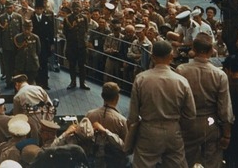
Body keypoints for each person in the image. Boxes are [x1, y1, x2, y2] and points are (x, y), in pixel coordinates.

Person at [127, 40, 196, 168]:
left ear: (152, 57)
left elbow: (133, 115)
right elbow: (191, 114)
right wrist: (181, 130)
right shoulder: (182, 81)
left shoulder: (141, 79)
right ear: (171, 57)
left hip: (148, 130)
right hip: (173, 130)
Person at [84, 82, 128, 167]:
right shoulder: (121, 121)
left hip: (93, 160)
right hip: (113, 163)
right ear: (117, 98)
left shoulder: (90, 115)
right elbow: (125, 148)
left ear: (102, 96)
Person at [61, 4, 90, 90]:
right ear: (72, 9)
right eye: (74, 8)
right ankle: (73, 82)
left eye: (78, 7)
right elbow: (65, 31)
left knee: (82, 65)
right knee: (72, 64)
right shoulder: (67, 18)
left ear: (80, 8)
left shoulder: (84, 18)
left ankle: (82, 83)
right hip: (72, 45)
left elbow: (86, 30)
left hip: (81, 45)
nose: (76, 9)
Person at [31, 0, 56, 89]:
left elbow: (51, 32)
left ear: (42, 9)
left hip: (44, 45)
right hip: (34, 46)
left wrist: (52, 44)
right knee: (36, 64)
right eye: (37, 9)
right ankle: (37, 83)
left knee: (44, 64)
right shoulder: (32, 20)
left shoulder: (47, 19)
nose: (38, 10)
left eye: (40, 9)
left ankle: (45, 83)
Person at [14, 21, 41, 85]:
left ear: (32, 28)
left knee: (31, 82)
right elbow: (14, 51)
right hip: (20, 64)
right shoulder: (17, 37)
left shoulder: (36, 38)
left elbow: (38, 51)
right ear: (22, 28)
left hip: (32, 64)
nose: (27, 31)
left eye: (29, 28)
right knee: (19, 83)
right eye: (25, 28)